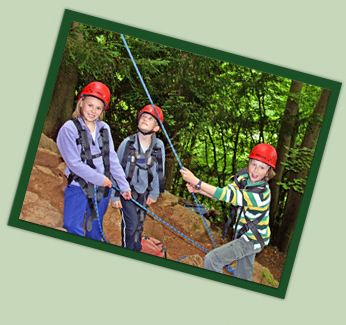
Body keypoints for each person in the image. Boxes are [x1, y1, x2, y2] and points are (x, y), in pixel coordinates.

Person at [180, 143, 277, 281]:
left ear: (268, 172)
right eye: (254, 164)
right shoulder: (244, 179)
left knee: (213, 259)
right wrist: (199, 189)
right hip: (247, 235)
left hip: (251, 239)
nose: (255, 170)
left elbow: (229, 197)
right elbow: (225, 193)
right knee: (243, 276)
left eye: (262, 167)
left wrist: (198, 182)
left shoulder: (261, 194)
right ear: (249, 163)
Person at [56, 81, 132, 241]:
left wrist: (124, 185)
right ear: (81, 102)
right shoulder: (69, 129)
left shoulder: (104, 128)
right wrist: (100, 179)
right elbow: (74, 164)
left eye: (98, 108)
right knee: (71, 225)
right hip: (79, 185)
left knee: (94, 228)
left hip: (103, 190)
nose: (93, 111)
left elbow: (112, 158)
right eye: (90, 105)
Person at [111, 105, 165, 251]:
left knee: (139, 224)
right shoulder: (127, 143)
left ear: (156, 128)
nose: (145, 119)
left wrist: (154, 193)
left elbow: (159, 170)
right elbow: (116, 169)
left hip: (145, 191)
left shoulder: (158, 146)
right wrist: (115, 196)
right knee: (131, 224)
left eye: (150, 118)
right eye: (143, 117)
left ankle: (136, 249)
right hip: (126, 190)